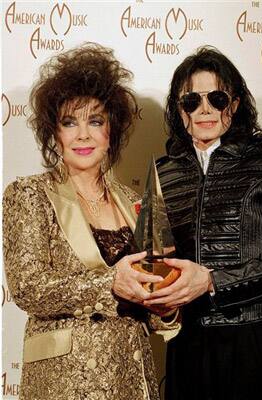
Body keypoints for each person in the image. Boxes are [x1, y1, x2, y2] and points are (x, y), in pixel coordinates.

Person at [3, 43, 174, 400]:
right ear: (55, 132)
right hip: (64, 383)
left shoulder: (136, 202)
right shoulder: (29, 194)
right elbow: (29, 288)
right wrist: (112, 283)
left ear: (112, 130)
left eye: (95, 121)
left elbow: (153, 302)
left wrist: (167, 305)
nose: (83, 135)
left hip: (131, 379)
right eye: (70, 122)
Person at [144, 46, 262, 400]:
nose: (205, 110)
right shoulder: (162, 173)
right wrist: (160, 298)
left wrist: (213, 281)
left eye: (216, 97)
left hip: (252, 339)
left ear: (235, 102)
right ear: (178, 109)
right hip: (186, 340)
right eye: (191, 101)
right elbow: (155, 260)